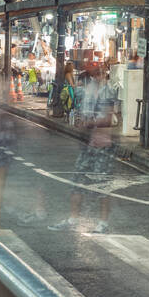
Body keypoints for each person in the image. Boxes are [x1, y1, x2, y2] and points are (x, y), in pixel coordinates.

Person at [50, 64, 119, 233]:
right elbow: (83, 112)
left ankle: (103, 223)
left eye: (98, 73)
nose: (95, 76)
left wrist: (89, 123)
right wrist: (81, 124)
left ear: (103, 74)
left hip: (103, 146)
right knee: (77, 182)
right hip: (87, 145)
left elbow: (109, 119)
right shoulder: (88, 91)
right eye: (92, 73)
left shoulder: (107, 91)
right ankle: (73, 219)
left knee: (103, 186)